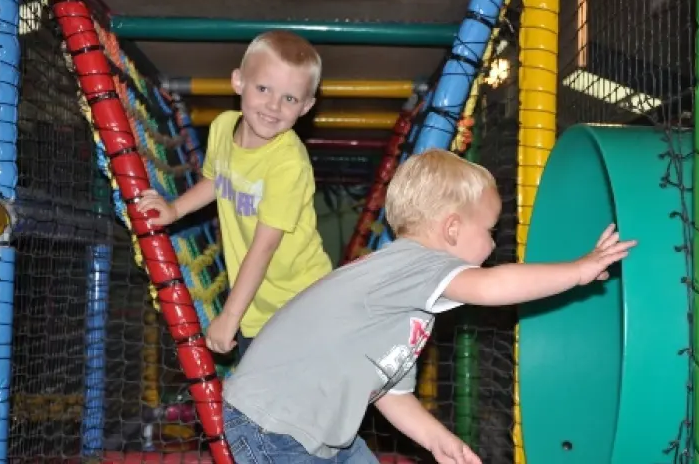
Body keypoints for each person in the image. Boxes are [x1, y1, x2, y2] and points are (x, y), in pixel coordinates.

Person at [221, 149, 637, 463]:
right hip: (271, 426)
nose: (493, 244)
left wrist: (441, 440)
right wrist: (578, 271)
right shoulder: (414, 264)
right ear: (452, 227)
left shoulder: (407, 302)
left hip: (318, 434)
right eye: (490, 231)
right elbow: (493, 286)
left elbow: (391, 395)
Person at [135, 30, 332, 360]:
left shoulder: (288, 164)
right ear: (239, 81)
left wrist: (229, 316)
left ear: (306, 107)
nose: (273, 106)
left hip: (302, 298)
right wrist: (172, 210)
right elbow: (215, 181)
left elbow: (264, 246)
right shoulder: (223, 128)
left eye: (290, 98)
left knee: (284, 397)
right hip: (257, 304)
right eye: (263, 88)